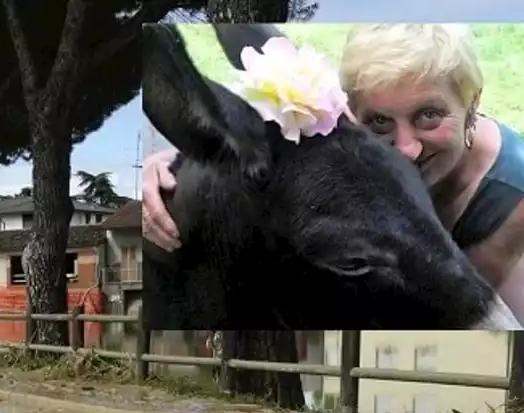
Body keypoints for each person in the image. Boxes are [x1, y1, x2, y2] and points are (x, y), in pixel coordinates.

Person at [142, 24, 524, 318]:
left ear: (473, 105)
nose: (406, 148)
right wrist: (179, 163)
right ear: (346, 114)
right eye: (378, 121)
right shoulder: (357, 158)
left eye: (429, 115)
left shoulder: (513, 211)